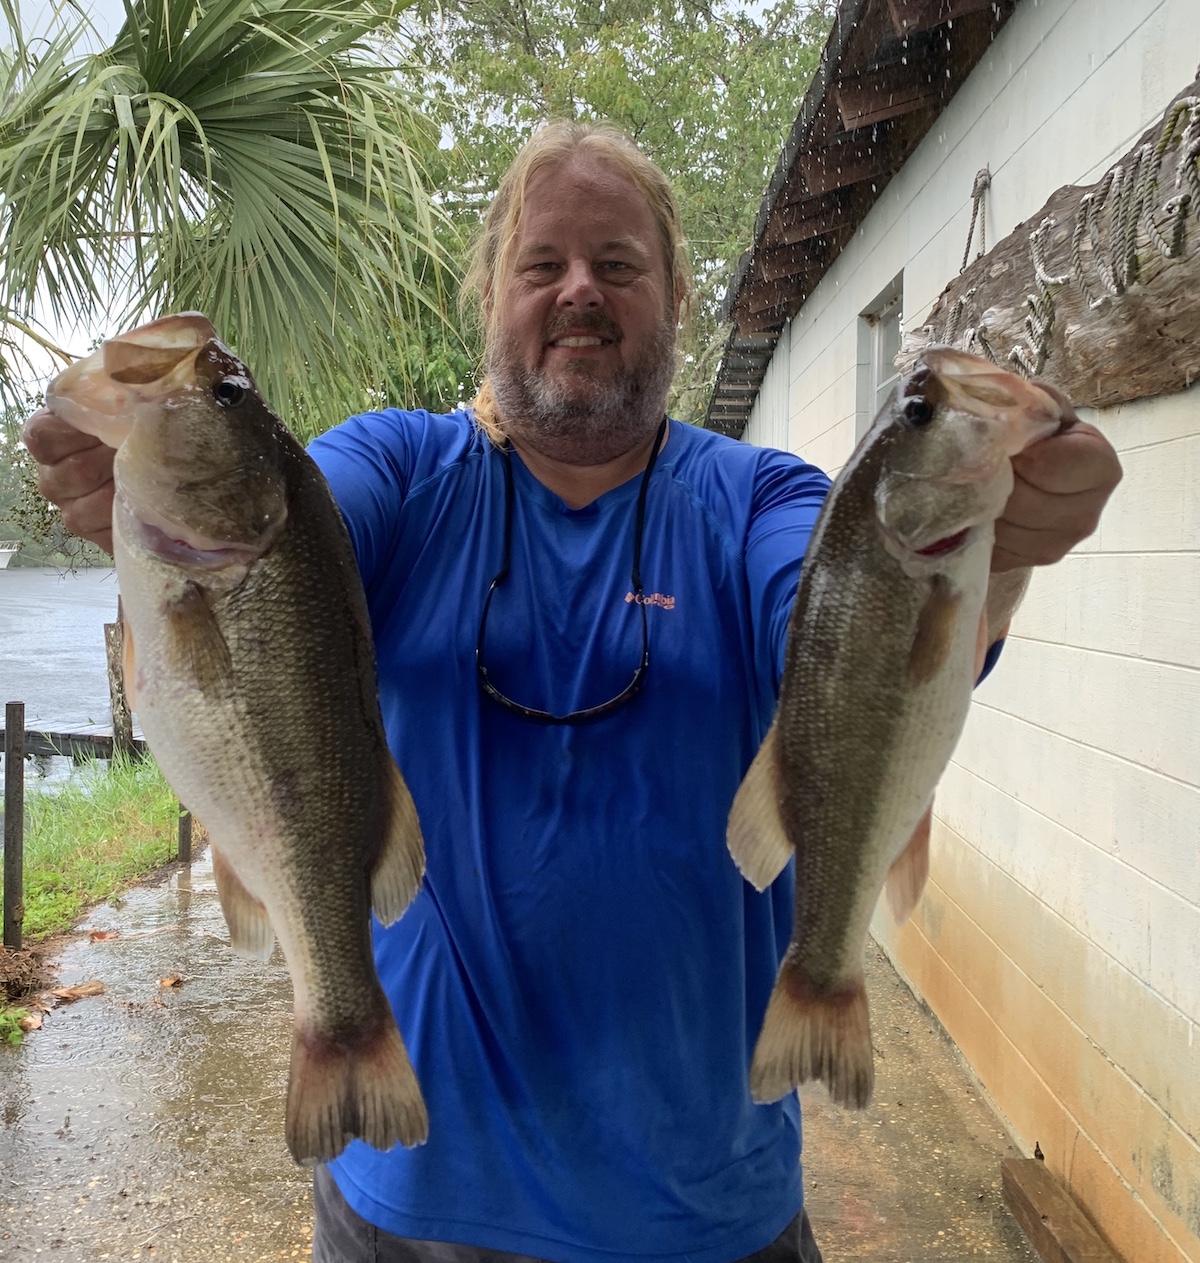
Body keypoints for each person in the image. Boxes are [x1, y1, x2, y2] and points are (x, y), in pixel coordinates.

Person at [24, 121, 1122, 1263]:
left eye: (619, 263)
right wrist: (174, 504)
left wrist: (996, 559)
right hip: (410, 1203)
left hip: (707, 1214)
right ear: (491, 296)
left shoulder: (762, 499)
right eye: (542, 263)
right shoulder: (397, 468)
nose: (580, 289)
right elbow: (293, 550)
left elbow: (843, 632)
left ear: (677, 299)